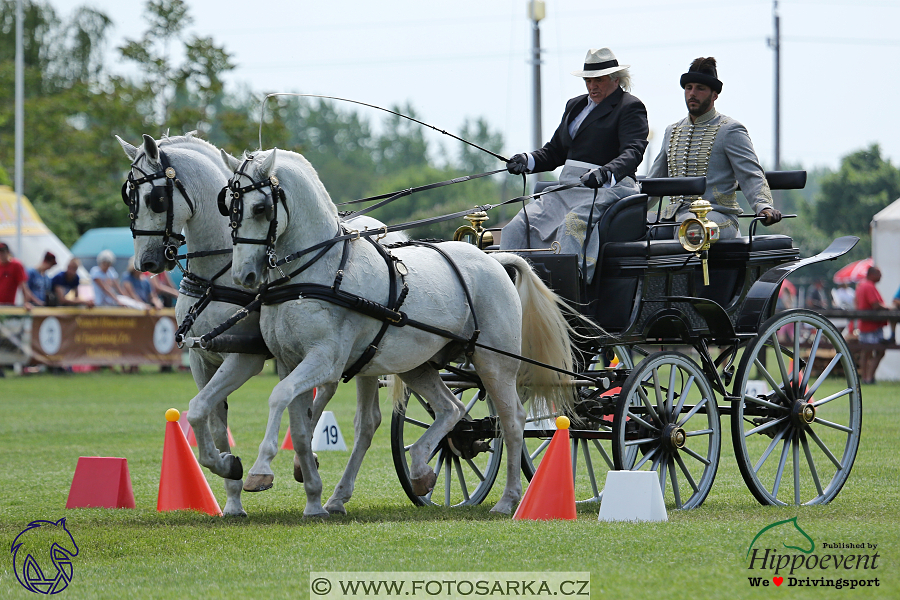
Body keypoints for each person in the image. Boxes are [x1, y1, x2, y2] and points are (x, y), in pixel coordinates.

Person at [499, 47, 649, 282]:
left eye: (598, 80)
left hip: (607, 189)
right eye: (588, 80)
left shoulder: (629, 106)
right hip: (567, 188)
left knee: (571, 227)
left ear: (615, 79)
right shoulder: (575, 105)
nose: (592, 86)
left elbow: (633, 151)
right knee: (516, 227)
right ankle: (510, 289)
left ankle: (568, 296)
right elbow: (555, 152)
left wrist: (605, 172)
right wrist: (527, 160)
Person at [647, 57, 782, 238]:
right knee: (632, 227)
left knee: (693, 228)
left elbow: (751, 173)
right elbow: (655, 180)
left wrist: (763, 206)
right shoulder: (672, 131)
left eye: (700, 88)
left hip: (719, 218)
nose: (692, 93)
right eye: (689, 88)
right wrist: (627, 209)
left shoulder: (729, 129)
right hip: (675, 218)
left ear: (714, 95)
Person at [855, 266, 888, 384]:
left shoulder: (861, 286)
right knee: (874, 351)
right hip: (871, 325)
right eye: (879, 273)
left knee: (869, 352)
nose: (881, 276)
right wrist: (889, 308)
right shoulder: (868, 286)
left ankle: (866, 377)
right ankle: (868, 377)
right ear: (872, 274)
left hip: (866, 324)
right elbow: (875, 304)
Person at [0, 242, 37, 306]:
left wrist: (26, 302)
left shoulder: (16, 265)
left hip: (8, 305)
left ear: (8, 252)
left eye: (3, 252)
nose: (1, 255)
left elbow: (23, 286)